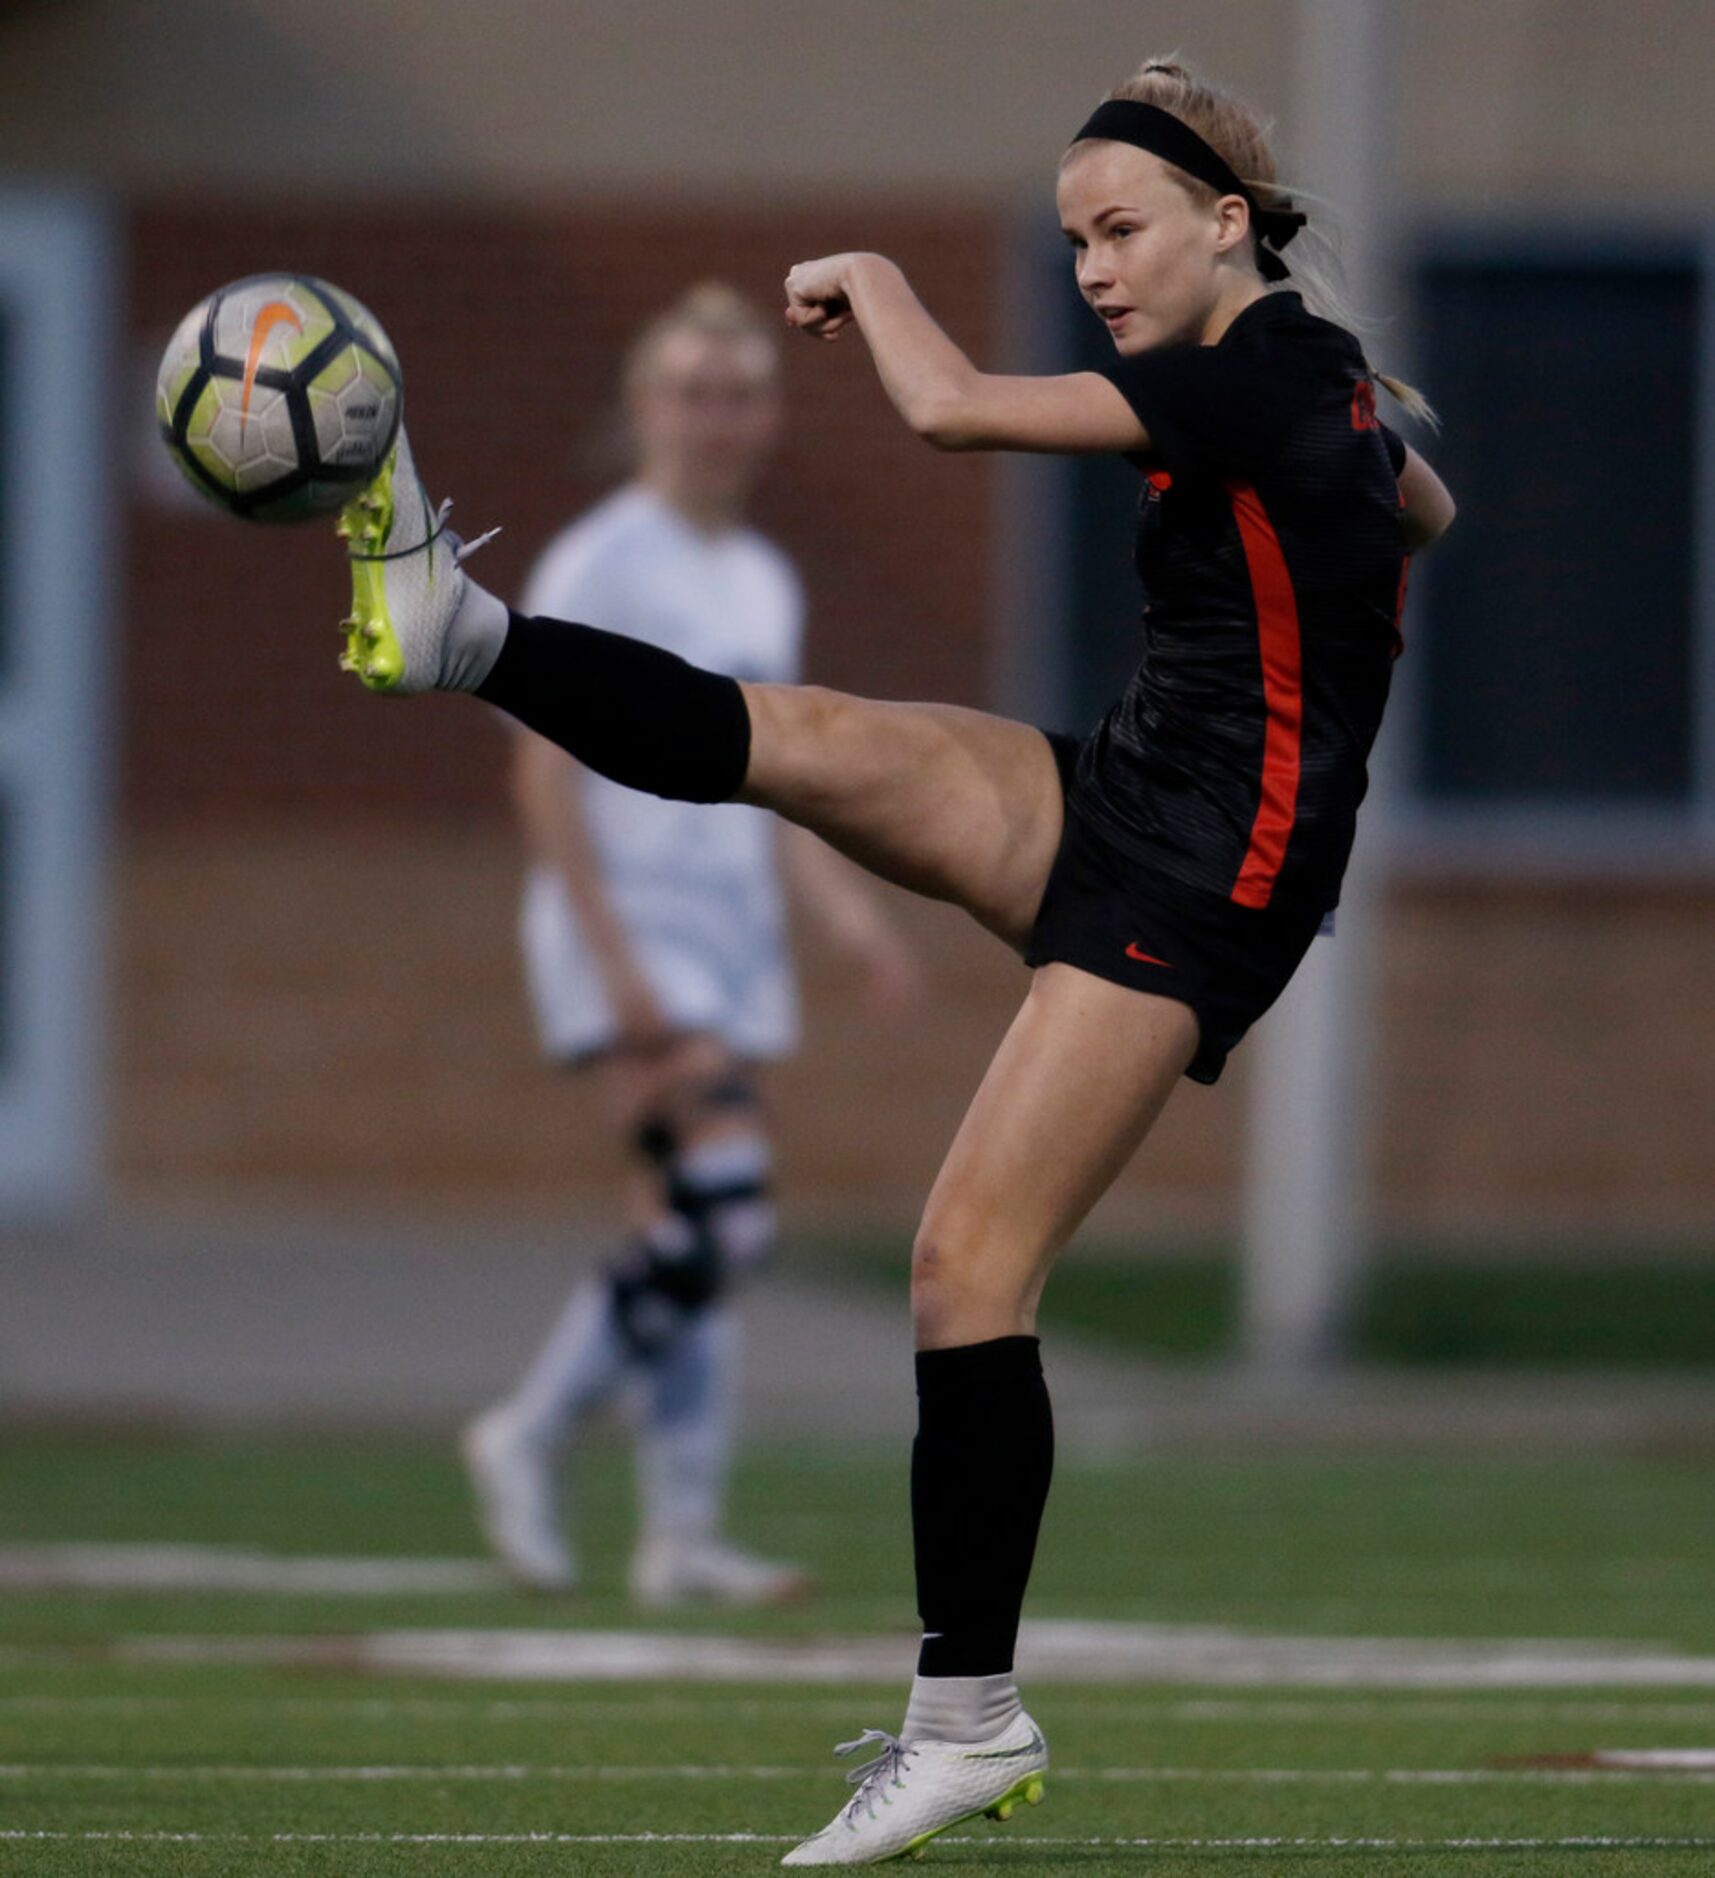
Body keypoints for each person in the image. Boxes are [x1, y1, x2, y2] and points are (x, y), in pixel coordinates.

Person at [328, 54, 1454, 1867]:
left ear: (1227, 225)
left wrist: (874, 272)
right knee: (817, 736)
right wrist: (1364, 477)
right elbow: (1430, 513)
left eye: (1123, 229)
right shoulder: (1294, 385)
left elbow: (942, 413)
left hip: (1210, 872)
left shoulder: (1249, 380)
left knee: (962, 1260)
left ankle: (969, 1718)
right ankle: (467, 633)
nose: (1093, 264)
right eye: (1076, 235)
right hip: (1130, 780)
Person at [460, 283, 921, 1607]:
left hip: (732, 935)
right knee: (729, 1207)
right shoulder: (601, 562)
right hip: (634, 923)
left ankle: (680, 1532)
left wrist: (845, 912)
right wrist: (609, 959)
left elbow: (775, 778)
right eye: (691, 392)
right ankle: (529, 1429)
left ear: (769, 415)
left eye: (741, 393)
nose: (717, 419)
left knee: (687, 1232)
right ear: (643, 409)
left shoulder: (760, 574)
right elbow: (542, 777)